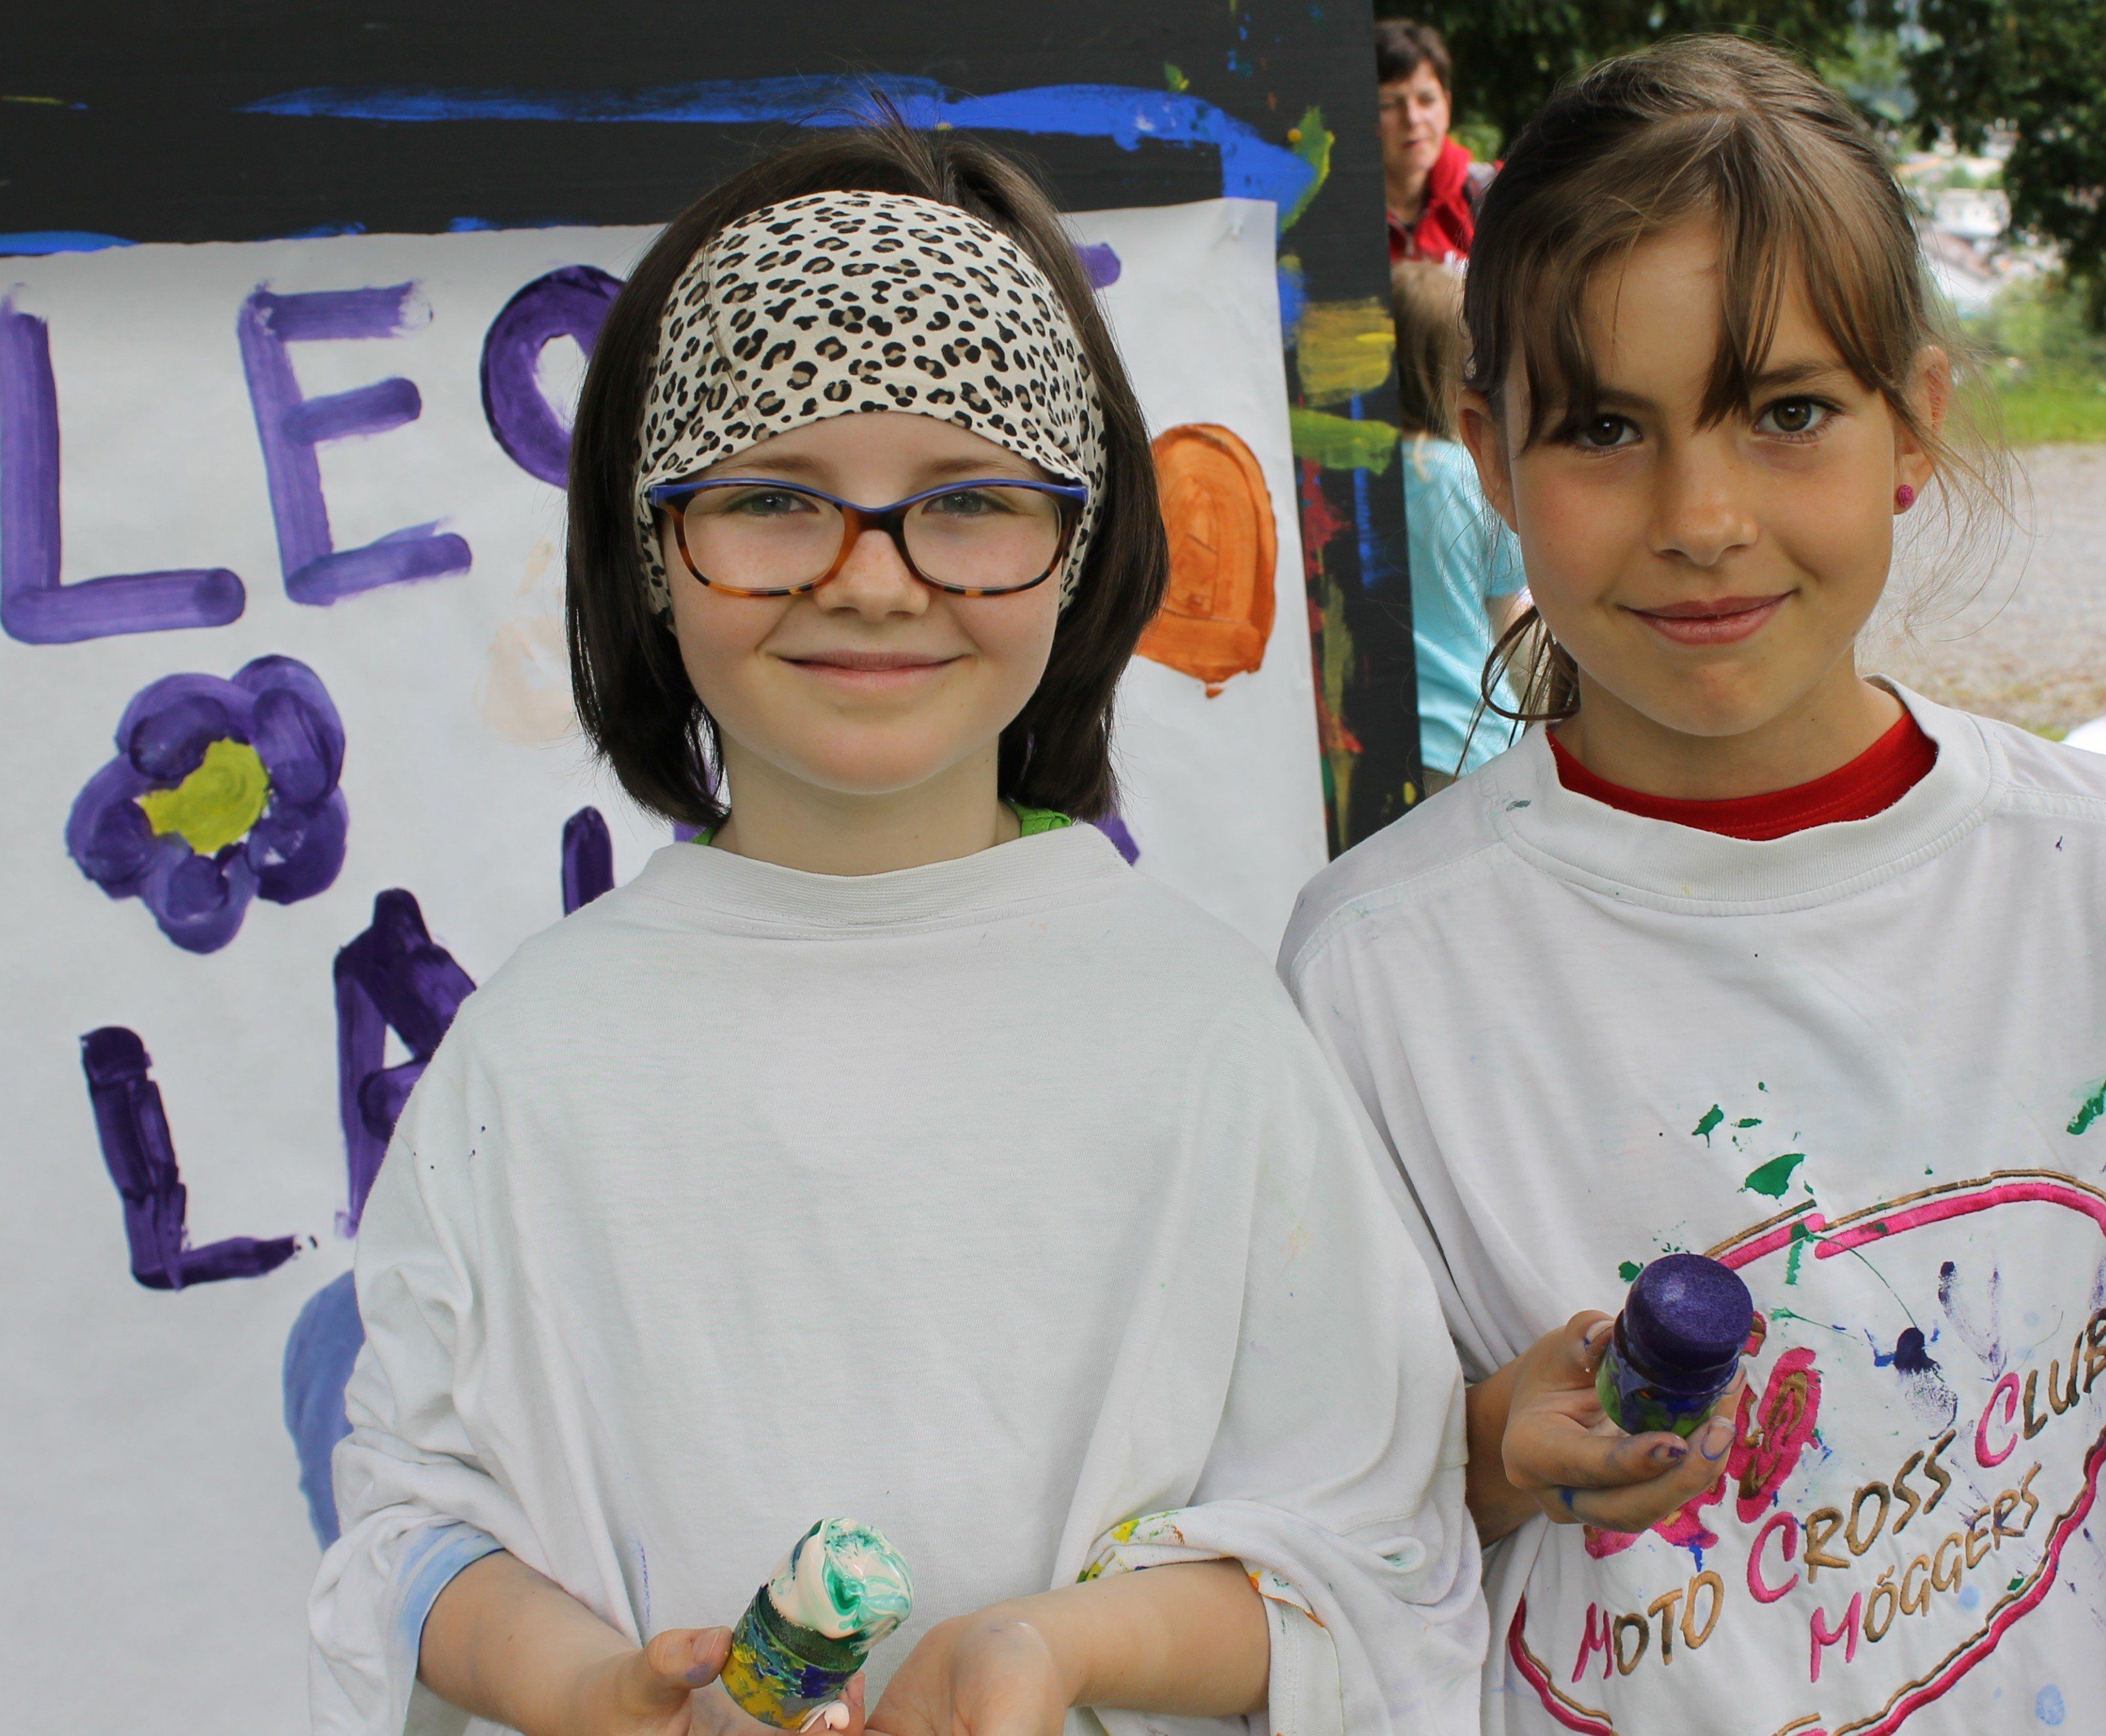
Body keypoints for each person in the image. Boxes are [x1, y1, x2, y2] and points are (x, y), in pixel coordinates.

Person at [307, 119, 1487, 1736]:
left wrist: (1056, 1653)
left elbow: (1378, 1561)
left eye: (970, 500)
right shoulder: (533, 1058)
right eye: (775, 500)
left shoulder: (1209, 1037)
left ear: (1075, 550)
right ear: (654, 547)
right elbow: (408, 1527)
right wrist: (589, 1687)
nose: (870, 581)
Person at [1281, 36, 2106, 1731]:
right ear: (1489, 448)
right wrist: (1481, 1453)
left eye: (1785, 414)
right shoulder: (1374, 973)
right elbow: (1308, 1525)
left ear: (1915, 423)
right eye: (1607, 429)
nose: (1701, 516)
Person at [1392, 259, 1528, 791]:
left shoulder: (1347, 488)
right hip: (1472, 739)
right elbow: (1511, 618)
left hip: (1378, 735)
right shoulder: (1467, 477)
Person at [1378, 18, 1492, 266]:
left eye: (1427, 100)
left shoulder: (1491, 196)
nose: (1412, 118)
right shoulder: (1334, 218)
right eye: (1388, 104)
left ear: (1448, 106)